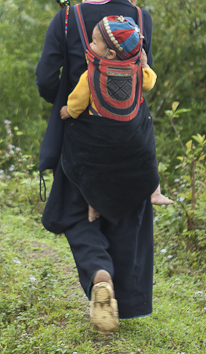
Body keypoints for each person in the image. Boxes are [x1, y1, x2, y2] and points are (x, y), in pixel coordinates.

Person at [35, 0, 163, 333]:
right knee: (126, 211)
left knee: (76, 213)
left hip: (82, 143)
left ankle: (98, 275)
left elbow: (44, 79)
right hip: (132, 141)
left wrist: (66, 99)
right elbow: (145, 77)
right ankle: (128, 300)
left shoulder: (68, 18)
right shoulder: (141, 20)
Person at [59, 14, 172, 221]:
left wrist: (68, 111)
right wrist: (145, 65)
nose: (89, 45)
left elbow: (78, 102)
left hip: (102, 136)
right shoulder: (137, 71)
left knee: (93, 171)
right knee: (148, 154)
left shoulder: (91, 74)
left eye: (94, 42)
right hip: (131, 137)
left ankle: (94, 205)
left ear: (110, 53)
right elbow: (150, 84)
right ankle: (154, 192)